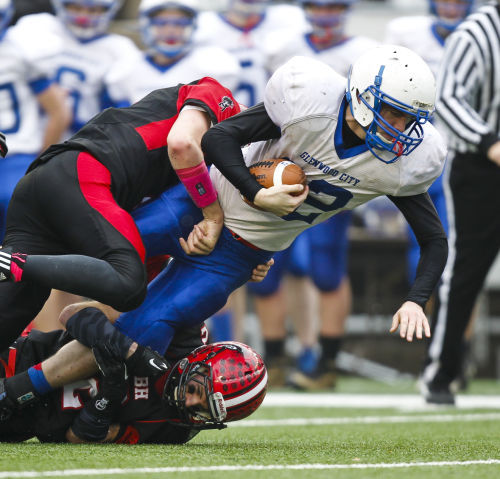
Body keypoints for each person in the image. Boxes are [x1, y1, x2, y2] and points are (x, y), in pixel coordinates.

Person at [109, 46, 448, 357]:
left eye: (410, 119)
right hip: (201, 201)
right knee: (102, 250)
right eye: (393, 113)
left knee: (143, 330)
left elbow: (434, 240)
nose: (400, 128)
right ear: (362, 95)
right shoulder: (311, 105)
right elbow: (218, 138)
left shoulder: (407, 163)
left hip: (242, 251)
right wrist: (255, 192)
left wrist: (415, 301)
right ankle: (59, 339)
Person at [0, 76, 242, 352]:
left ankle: (10, 266)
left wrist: (245, 257)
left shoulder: (211, 176)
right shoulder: (221, 100)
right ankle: (11, 264)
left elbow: (145, 232)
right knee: (129, 284)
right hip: (83, 175)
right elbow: (182, 145)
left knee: (6, 318)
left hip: (49, 187)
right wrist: (212, 215)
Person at [253, 0, 378, 389]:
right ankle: (274, 361)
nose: (325, 13)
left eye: (334, 6)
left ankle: (325, 363)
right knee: (268, 269)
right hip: (281, 165)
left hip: (335, 170)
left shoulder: (366, 53)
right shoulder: (280, 46)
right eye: (318, 5)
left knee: (326, 270)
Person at [0, 305, 267, 443]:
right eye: (197, 391)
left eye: (206, 412)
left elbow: (77, 437)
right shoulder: (182, 333)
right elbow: (75, 314)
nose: (189, 404)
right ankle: (13, 390)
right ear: (197, 362)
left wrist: (108, 398)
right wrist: (131, 353)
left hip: (25, 423)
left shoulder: (173, 430)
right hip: (21, 360)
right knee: (108, 344)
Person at [419, 0, 500, 405]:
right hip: (482, 167)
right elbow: (447, 98)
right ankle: (442, 373)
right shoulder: (477, 33)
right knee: (467, 271)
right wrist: (490, 142)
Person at [384, 0, 476, 283]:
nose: (451, 8)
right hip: (417, 151)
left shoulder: (480, 40)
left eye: (460, 2)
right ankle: (425, 321)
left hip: (464, 157)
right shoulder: (406, 35)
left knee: (460, 255)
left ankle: (453, 328)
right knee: (423, 250)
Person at [0, 0, 70, 242]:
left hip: (15, 152)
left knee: (16, 205)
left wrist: (41, 159)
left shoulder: (21, 51)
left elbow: (58, 111)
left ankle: (15, 275)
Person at [106, 0, 241, 105]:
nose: (171, 30)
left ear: (193, 25)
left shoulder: (214, 64)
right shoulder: (125, 70)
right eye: (161, 23)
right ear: (145, 25)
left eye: (179, 23)